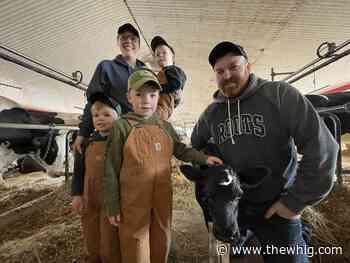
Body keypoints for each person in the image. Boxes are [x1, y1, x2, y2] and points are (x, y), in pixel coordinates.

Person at [191, 41, 339, 263]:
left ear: (248, 67)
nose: (227, 75)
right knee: (234, 257)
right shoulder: (212, 113)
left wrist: (294, 203)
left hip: (277, 205)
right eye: (220, 71)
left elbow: (323, 148)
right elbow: (195, 147)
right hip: (235, 206)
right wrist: (211, 171)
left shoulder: (279, 95)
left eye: (234, 67)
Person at [104, 68, 223, 263]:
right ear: (129, 97)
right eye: (139, 95)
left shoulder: (165, 126)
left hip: (161, 194)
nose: (146, 100)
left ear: (158, 96)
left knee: (162, 234)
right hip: (132, 198)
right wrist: (113, 205)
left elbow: (181, 150)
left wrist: (203, 159)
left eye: (152, 95)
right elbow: (110, 168)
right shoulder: (122, 126)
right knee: (135, 239)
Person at [73, 23, 145, 153]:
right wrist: (83, 133)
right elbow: (93, 102)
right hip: (113, 132)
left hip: (141, 132)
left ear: (139, 44)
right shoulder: (106, 67)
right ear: (118, 42)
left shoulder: (146, 73)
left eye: (133, 38)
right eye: (123, 38)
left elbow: (158, 103)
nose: (128, 41)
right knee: (84, 160)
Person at [71, 92, 122, 263]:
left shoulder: (123, 142)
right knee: (90, 234)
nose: (100, 118)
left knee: (110, 240)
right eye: (96, 115)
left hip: (112, 200)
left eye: (107, 114)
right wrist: (76, 194)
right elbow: (78, 171)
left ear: (118, 116)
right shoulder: (85, 143)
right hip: (89, 198)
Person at [150, 36, 187, 120]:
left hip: (163, 107)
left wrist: (159, 88)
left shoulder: (173, 69)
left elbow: (176, 84)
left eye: (164, 52)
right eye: (157, 54)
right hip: (160, 105)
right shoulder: (162, 73)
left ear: (172, 56)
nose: (160, 56)